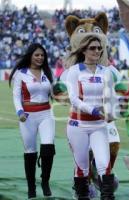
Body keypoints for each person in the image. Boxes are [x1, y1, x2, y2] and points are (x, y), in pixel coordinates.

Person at [65, 35, 117, 199]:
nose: (97, 51)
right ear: (84, 50)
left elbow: (111, 96)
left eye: (99, 48)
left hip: (99, 126)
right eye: (93, 48)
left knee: (104, 165)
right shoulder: (74, 71)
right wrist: (94, 110)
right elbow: (73, 99)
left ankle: (107, 197)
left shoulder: (106, 71)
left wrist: (111, 110)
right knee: (82, 168)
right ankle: (82, 196)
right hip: (77, 125)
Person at [9, 43, 56, 199]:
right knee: (30, 152)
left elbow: (54, 93)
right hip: (27, 117)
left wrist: (60, 95)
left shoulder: (48, 73)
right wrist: (20, 111)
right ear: (30, 55)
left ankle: (45, 181)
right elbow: (16, 96)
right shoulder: (20, 74)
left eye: (42, 55)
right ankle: (31, 187)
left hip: (46, 114)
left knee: (48, 147)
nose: (40, 57)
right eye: (37, 55)